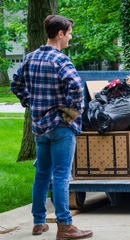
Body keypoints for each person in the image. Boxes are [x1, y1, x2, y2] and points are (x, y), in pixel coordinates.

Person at [10, 15, 93, 239]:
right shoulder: (61, 61)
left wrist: (30, 101)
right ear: (60, 34)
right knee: (61, 176)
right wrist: (73, 112)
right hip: (60, 126)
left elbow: (15, 83)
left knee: (42, 175)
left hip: (40, 127)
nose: (70, 37)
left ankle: (39, 222)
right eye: (69, 33)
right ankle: (65, 226)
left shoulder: (29, 58)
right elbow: (76, 86)